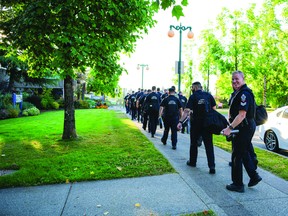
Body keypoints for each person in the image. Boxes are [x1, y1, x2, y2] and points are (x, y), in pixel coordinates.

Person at [222, 70, 262, 193]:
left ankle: (238, 184)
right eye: (232, 79)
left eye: (237, 79)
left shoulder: (244, 94)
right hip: (244, 127)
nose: (234, 81)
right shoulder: (238, 93)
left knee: (236, 155)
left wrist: (230, 128)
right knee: (243, 152)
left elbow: (242, 115)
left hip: (243, 127)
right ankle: (254, 176)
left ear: (243, 78)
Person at [177, 81, 216, 174]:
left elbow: (186, 111)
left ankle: (192, 162)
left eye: (192, 87)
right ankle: (212, 166)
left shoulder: (193, 96)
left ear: (194, 87)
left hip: (196, 123)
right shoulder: (208, 95)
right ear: (201, 87)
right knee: (209, 145)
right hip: (207, 124)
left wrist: (180, 121)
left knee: (194, 143)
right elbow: (214, 109)